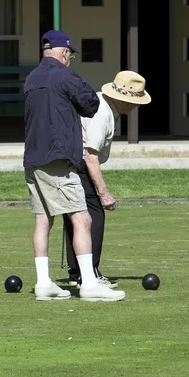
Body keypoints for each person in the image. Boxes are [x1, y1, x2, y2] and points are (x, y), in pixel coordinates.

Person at [22, 30, 125, 302]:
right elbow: (91, 103)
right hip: (58, 158)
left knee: (43, 219)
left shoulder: (31, 78)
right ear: (65, 53)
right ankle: (89, 284)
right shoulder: (65, 75)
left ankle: (44, 283)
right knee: (82, 218)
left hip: (32, 159)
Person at [62, 71, 151, 288]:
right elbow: (90, 156)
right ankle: (88, 272)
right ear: (121, 97)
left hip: (68, 163)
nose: (136, 106)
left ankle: (78, 273)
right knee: (93, 216)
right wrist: (104, 193)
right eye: (134, 101)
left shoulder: (102, 102)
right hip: (78, 165)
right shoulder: (101, 113)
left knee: (75, 216)